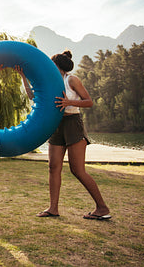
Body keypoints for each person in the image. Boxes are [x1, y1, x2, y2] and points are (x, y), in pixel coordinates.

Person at [36, 50, 111, 220]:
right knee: (53, 167)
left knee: (77, 170)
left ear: (57, 66)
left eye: (51, 64)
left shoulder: (72, 80)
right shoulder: (50, 81)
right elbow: (34, 95)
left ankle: (102, 207)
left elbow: (89, 102)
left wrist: (69, 102)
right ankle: (53, 208)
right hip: (56, 124)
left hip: (73, 123)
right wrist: (24, 78)